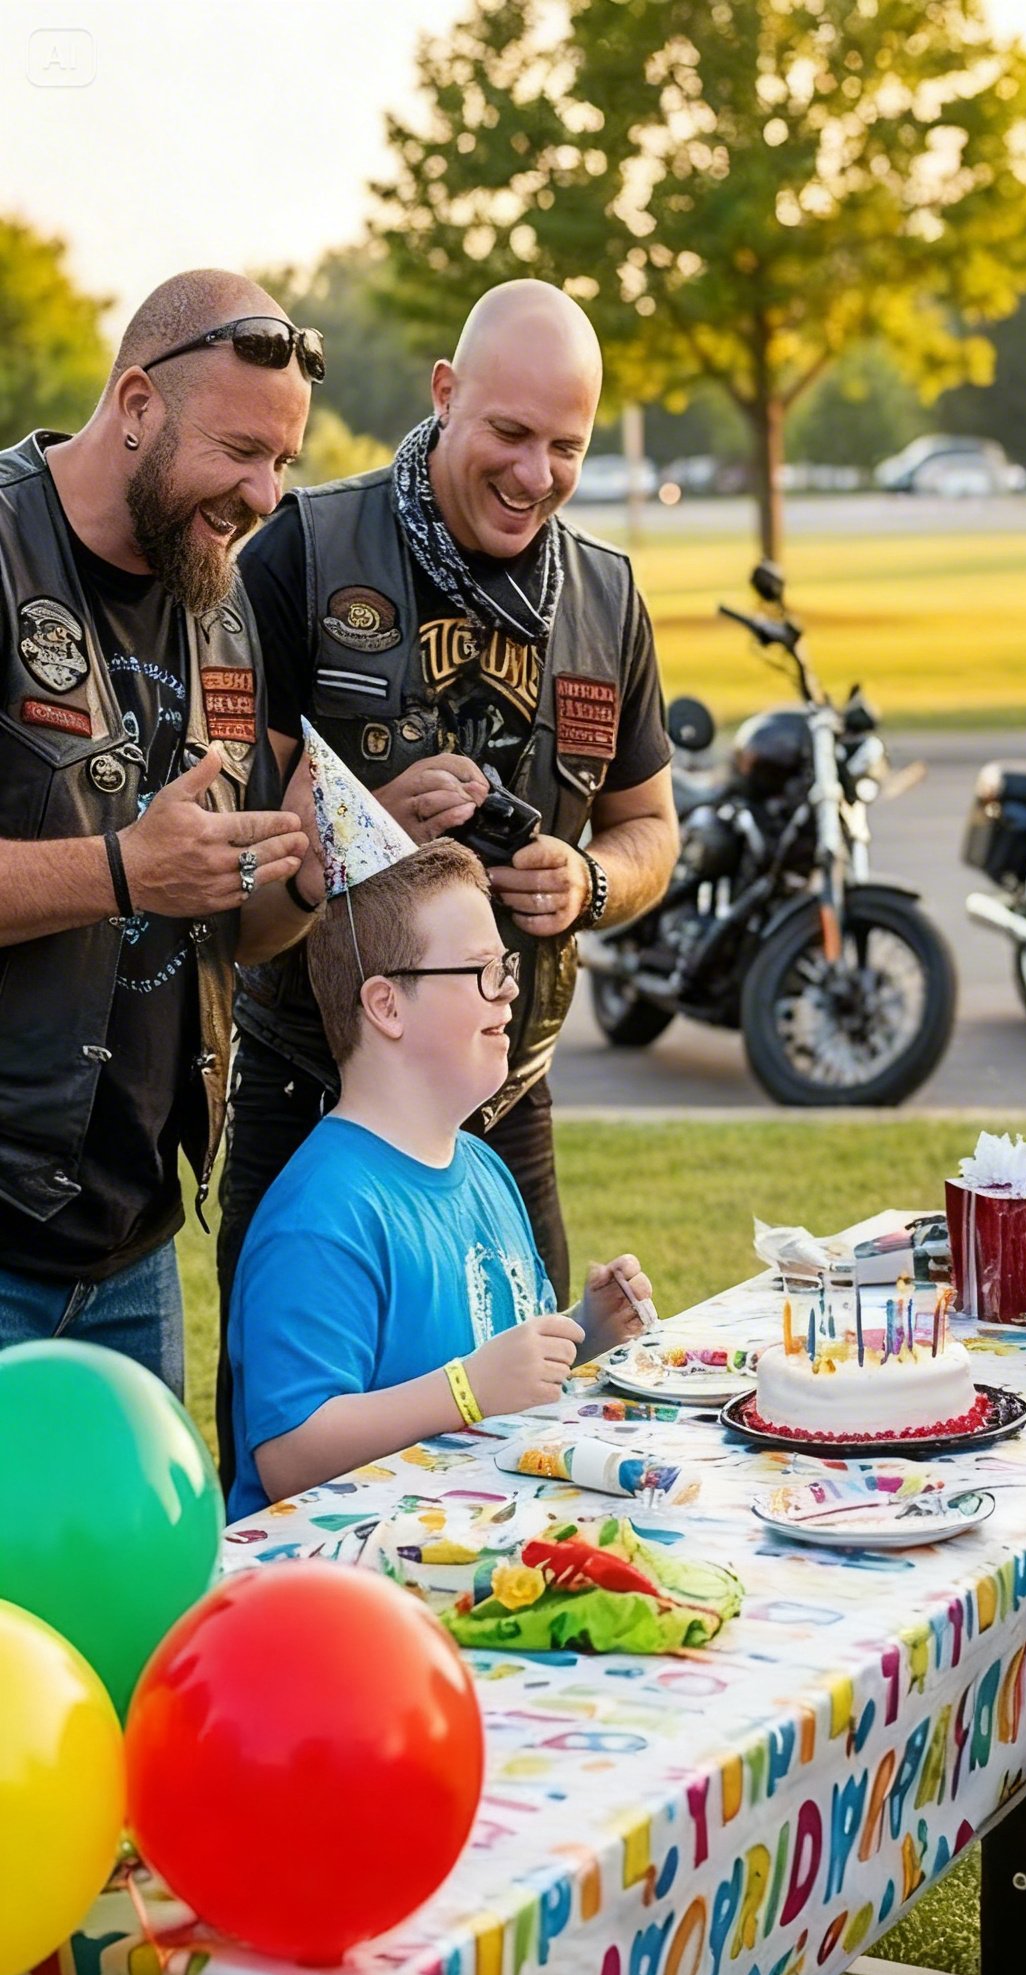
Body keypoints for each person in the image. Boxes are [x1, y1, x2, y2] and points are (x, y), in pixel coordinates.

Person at [221, 276, 679, 1471]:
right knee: (298, 1436)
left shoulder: (609, 596)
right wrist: (361, 826)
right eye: (511, 436)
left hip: (502, 1103)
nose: (537, 476)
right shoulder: (303, 554)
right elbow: (228, 862)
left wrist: (587, 881)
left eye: (567, 448)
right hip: (306, 1081)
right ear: (444, 394)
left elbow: (653, 832)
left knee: (519, 1421)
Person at [0, 270, 326, 1394]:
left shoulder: (219, 599)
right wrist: (120, 869)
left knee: (138, 1576)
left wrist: (303, 870)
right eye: (241, 451)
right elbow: (146, 876)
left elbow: (232, 929)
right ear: (136, 402)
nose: (267, 493)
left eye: (284, 462)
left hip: (136, 1241)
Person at [227, 829, 654, 1519]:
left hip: (469, 1547)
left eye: (507, 966)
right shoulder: (323, 1213)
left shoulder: (482, 1167)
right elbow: (288, 1456)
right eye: (483, 970)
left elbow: (497, 1364)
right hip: (349, 1585)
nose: (509, 991)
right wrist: (466, 1391)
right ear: (386, 1006)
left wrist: (585, 1333)